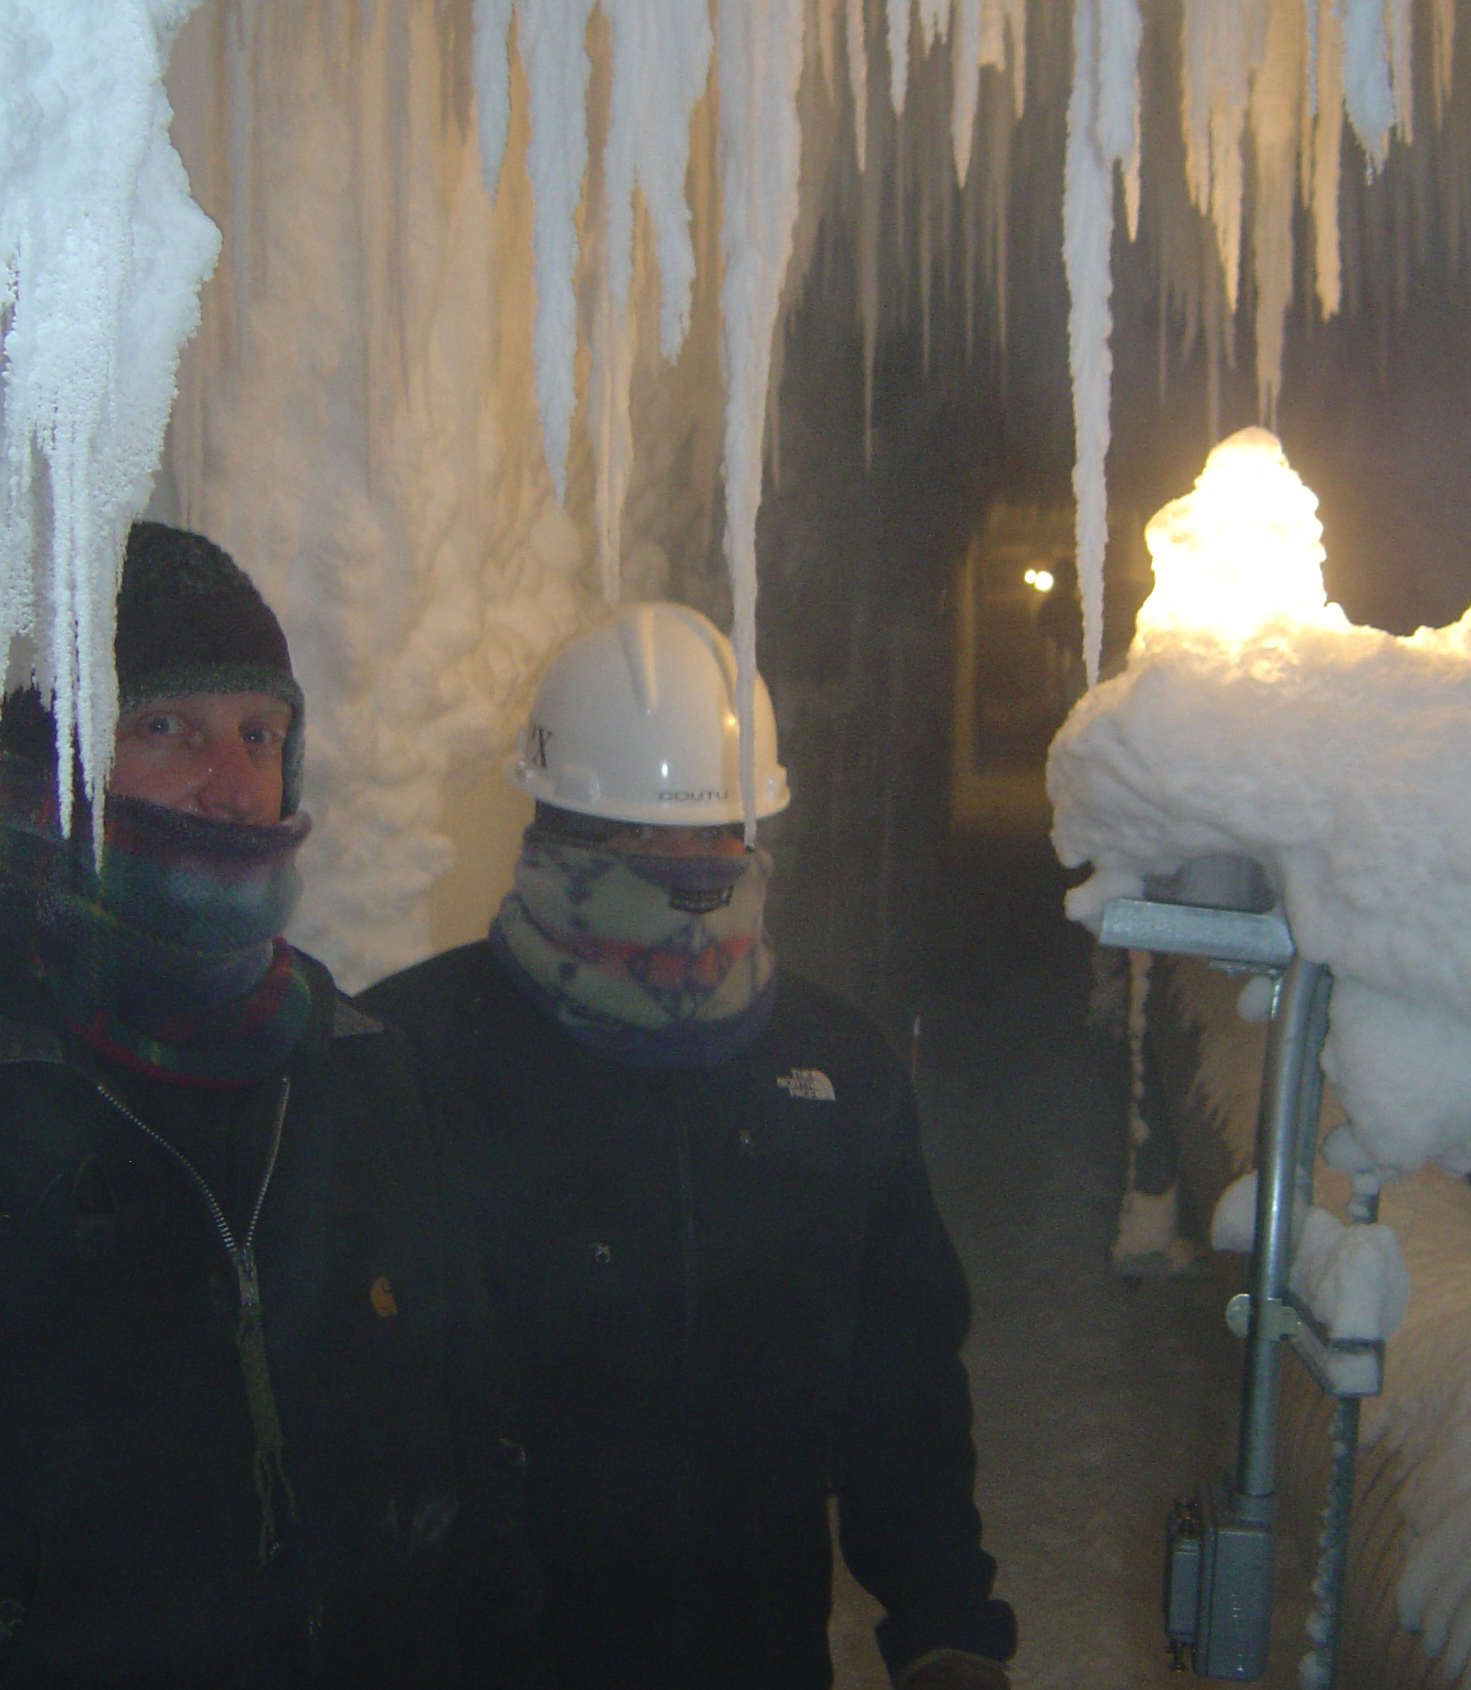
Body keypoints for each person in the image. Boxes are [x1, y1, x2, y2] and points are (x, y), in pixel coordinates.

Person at [0, 522, 535, 1689]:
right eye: (165, 728)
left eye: (259, 735)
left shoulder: (360, 1069)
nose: (232, 784)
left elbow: (479, 1482)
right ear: (34, 770)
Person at [360, 603, 1016, 1690]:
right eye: (636, 843)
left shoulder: (836, 1074)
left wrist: (946, 1630)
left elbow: (902, 1393)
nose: (688, 871)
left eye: (718, 837)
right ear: (555, 822)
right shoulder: (408, 1061)